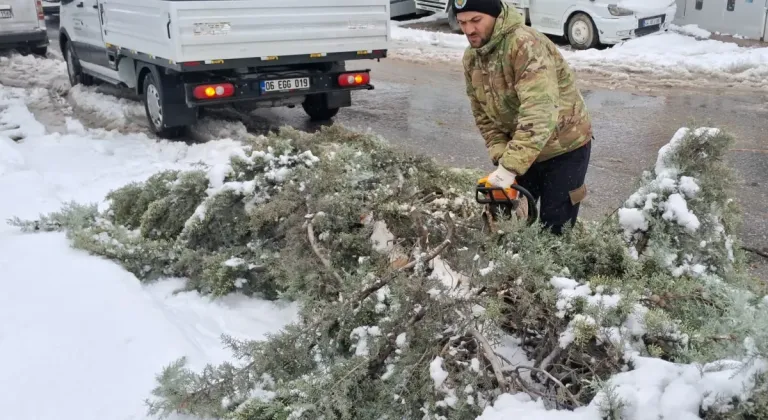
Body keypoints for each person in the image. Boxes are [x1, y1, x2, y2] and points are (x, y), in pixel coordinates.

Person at [456, 0, 593, 235]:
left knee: (554, 227)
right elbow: (483, 114)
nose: (469, 30)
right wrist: (501, 155)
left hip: (564, 148)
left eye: (476, 20)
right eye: (462, 23)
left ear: (496, 15)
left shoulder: (525, 45)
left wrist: (509, 168)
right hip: (521, 150)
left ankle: (556, 267)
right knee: (509, 219)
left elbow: (539, 113)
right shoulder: (472, 58)